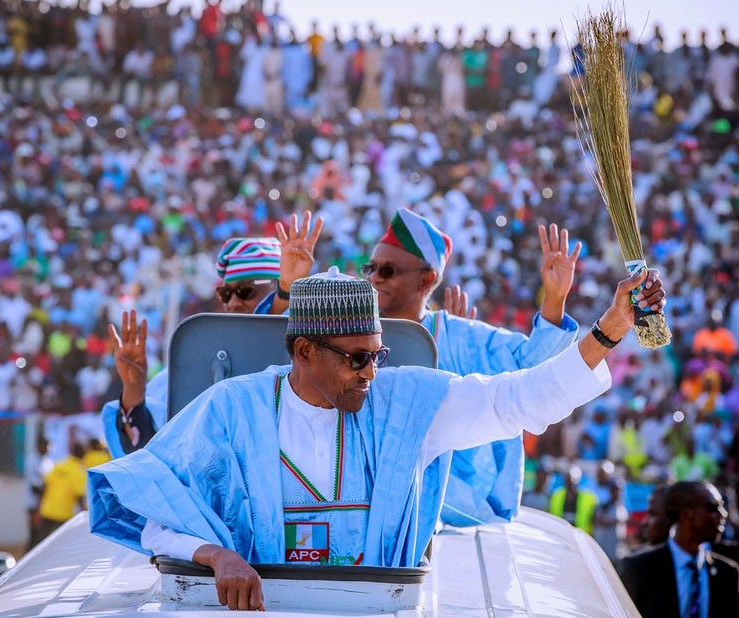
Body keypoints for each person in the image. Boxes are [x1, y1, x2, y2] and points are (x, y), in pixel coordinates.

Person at [88, 260, 665, 611]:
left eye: (378, 355)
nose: (372, 372)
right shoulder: (230, 412)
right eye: (357, 358)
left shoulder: (405, 402)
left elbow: (516, 399)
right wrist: (214, 556)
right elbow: (155, 509)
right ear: (305, 351)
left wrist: (610, 329)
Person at [364, 208, 580, 526]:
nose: (374, 278)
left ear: (427, 279)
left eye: (388, 270)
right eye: (370, 268)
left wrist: (554, 299)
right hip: (370, 507)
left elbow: (534, 371)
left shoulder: (463, 337)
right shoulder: (352, 334)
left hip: (456, 517)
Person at [101, 214, 323, 457]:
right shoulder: (196, 361)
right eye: (226, 294)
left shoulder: (309, 352)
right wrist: (134, 391)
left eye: (245, 290)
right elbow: (146, 455)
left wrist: (284, 294)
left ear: (277, 287)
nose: (234, 303)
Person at [642, 485, 739, 618]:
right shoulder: (640, 567)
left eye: (653, 514)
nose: (646, 521)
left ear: (683, 514)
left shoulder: (735, 561)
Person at [619, 481, 739, 618]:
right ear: (686, 514)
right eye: (712, 507)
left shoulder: (728, 573)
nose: (723, 514)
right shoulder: (639, 569)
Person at [37, 443, 87, 545]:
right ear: (83, 453)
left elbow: (45, 485)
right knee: (61, 544)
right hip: (64, 514)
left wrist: (39, 506)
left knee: (41, 542)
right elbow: (79, 495)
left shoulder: (59, 465)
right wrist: (85, 514)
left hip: (48, 510)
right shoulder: (78, 471)